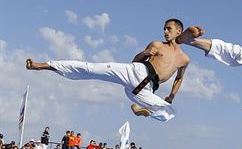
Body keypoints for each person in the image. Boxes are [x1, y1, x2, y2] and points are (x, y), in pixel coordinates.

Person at [26, 19, 190, 121]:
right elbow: (135, 60)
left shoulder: (184, 59)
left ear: (178, 31)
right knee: (91, 68)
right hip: (135, 72)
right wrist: (145, 53)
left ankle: (143, 111)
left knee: (170, 113)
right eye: (164, 28)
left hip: (145, 90)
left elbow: (179, 78)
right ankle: (44, 65)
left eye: (168, 28)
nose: (165, 31)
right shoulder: (157, 44)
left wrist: (172, 95)